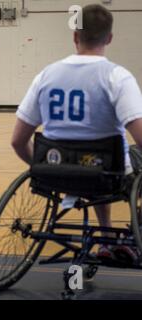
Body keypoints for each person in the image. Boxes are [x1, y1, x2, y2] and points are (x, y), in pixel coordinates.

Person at [11, 4, 142, 262]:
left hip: (55, 170)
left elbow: (17, 141)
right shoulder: (118, 77)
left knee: (93, 161)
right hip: (105, 172)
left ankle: (104, 233)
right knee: (121, 158)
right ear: (110, 38)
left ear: (75, 36)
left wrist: (40, 167)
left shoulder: (46, 76)